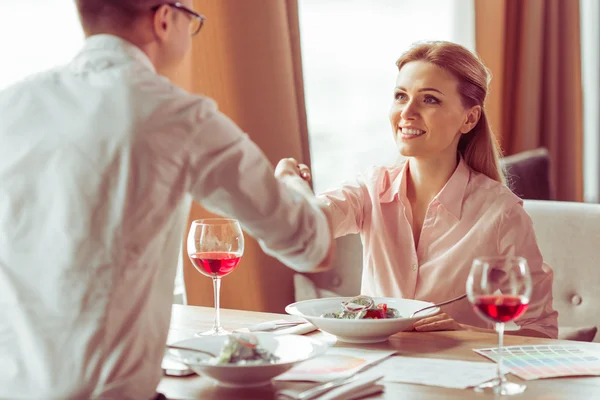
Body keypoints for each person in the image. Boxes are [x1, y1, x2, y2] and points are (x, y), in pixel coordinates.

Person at [0, 1, 334, 398]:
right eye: (192, 20)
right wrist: (291, 181)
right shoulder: (177, 116)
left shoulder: (12, 104)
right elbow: (310, 245)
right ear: (164, 19)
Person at [277, 41, 558, 339]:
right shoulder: (371, 189)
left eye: (430, 100)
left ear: (469, 118)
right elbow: (304, 227)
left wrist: (462, 332)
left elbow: (541, 332)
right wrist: (288, 179)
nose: (407, 112)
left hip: (456, 376)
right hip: (375, 369)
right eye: (401, 96)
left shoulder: (500, 212)